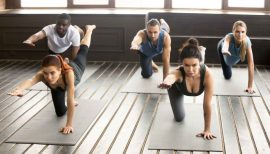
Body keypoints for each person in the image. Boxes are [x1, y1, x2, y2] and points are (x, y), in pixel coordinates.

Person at [9, 25, 96, 134]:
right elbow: (30, 81)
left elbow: (70, 99)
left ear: (60, 70)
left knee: (83, 51)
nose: (48, 77)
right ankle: (65, 61)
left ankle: (88, 30)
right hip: (57, 87)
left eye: (52, 73)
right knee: (60, 113)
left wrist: (69, 124)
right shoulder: (43, 75)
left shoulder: (69, 74)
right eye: (46, 73)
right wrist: (20, 89)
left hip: (75, 71)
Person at [159, 42, 215, 140]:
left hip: (201, 69)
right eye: (186, 65)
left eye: (194, 65)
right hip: (176, 88)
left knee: (200, 66)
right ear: (182, 63)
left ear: (198, 63)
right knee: (179, 118)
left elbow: (207, 105)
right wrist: (167, 82)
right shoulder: (179, 72)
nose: (190, 70)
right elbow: (172, 76)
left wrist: (207, 129)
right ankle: (199, 53)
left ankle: (201, 51)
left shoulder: (208, 75)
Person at [217, 20, 255, 94]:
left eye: (243, 32)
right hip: (223, 49)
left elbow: (251, 65)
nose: (240, 35)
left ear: (246, 32)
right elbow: (225, 46)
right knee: (227, 76)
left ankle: (229, 63)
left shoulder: (247, 42)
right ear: (233, 31)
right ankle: (227, 63)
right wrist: (224, 51)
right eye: (237, 31)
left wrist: (250, 86)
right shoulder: (229, 37)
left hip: (232, 56)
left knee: (230, 62)